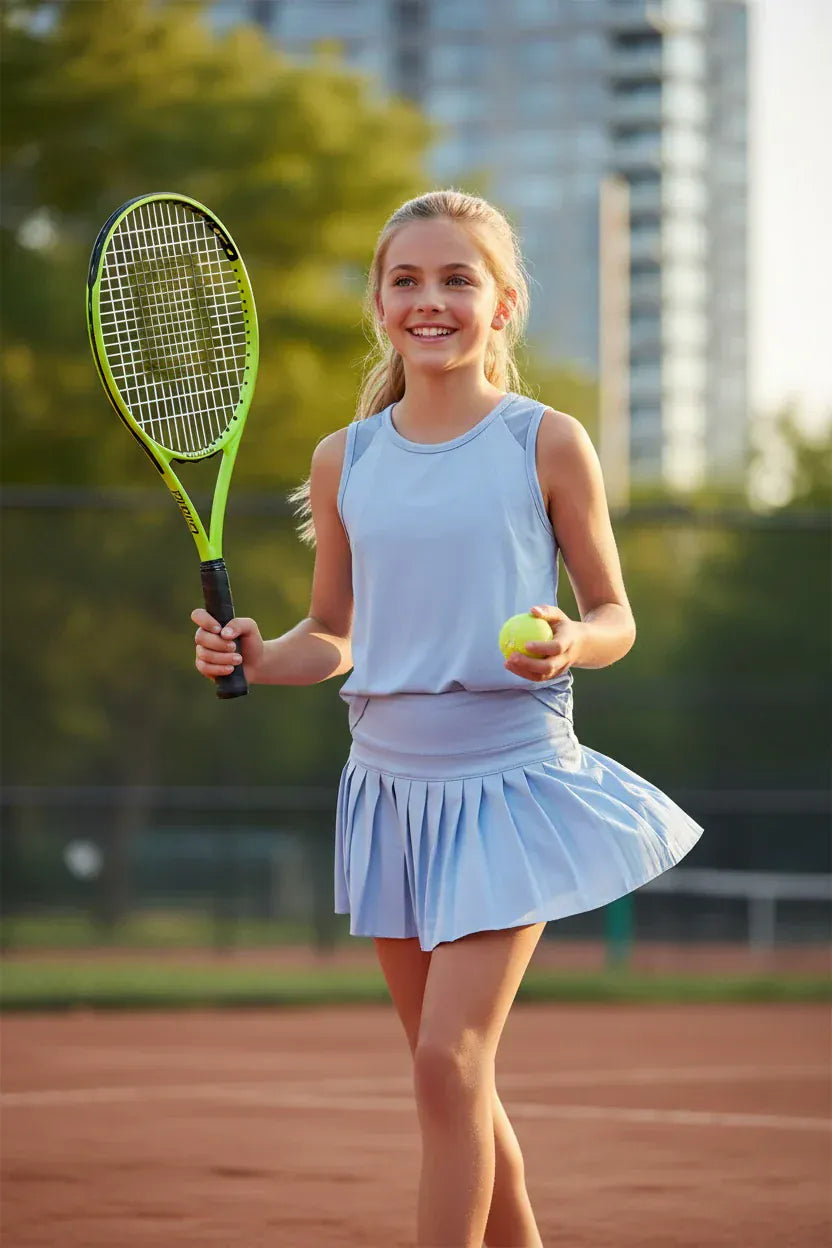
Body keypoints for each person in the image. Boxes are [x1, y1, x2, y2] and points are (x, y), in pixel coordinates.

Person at [191, 189, 704, 1248]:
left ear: (503, 304)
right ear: (378, 305)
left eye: (457, 279)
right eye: (407, 280)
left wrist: (572, 638)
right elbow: (332, 631)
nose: (431, 300)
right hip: (386, 786)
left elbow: (615, 616)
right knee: (451, 1079)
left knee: (447, 1063)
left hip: (509, 780)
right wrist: (259, 651)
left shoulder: (546, 441)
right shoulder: (346, 459)